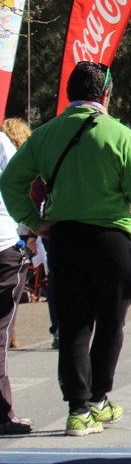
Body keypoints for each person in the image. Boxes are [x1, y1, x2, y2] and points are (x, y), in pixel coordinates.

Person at [0, 61, 131, 437]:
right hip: (111, 240)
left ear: (70, 93)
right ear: (105, 94)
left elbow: (10, 181)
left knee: (72, 327)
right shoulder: (120, 134)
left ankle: (77, 410)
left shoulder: (47, 133)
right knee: (110, 323)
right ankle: (100, 400)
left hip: (64, 238)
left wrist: (35, 223)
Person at [0, 118, 31, 433]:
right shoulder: (2, 144)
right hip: (4, 244)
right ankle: (1, 414)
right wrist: (31, 228)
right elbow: (16, 186)